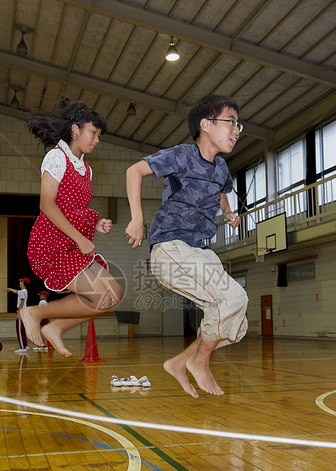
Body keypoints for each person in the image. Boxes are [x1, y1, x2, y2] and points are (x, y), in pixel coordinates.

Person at [125, 95, 247, 398]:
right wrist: (137, 219)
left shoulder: (221, 168)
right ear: (205, 125)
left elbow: (221, 192)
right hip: (171, 248)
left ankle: (180, 362)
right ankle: (199, 362)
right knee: (233, 298)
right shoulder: (182, 155)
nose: (236, 129)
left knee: (237, 321)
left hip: (201, 251)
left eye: (238, 124)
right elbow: (134, 171)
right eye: (230, 121)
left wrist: (229, 212)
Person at [17, 98, 124, 357]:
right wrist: (81, 238)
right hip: (51, 244)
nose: (97, 139)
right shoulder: (57, 156)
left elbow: (72, 209)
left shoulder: (86, 169)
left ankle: (55, 328)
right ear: (75, 130)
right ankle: (34, 312)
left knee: (114, 295)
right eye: (93, 132)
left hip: (72, 242)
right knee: (101, 295)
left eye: (100, 135)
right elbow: (47, 205)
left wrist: (94, 225)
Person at [6, 277, 30, 353]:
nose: (19, 283)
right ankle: (25, 346)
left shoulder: (23, 291)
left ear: (23, 283)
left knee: (19, 330)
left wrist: (18, 312)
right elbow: (16, 292)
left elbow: (21, 302)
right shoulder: (24, 291)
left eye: (21, 281)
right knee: (22, 329)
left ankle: (22, 348)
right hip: (24, 310)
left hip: (21, 310)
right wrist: (10, 289)